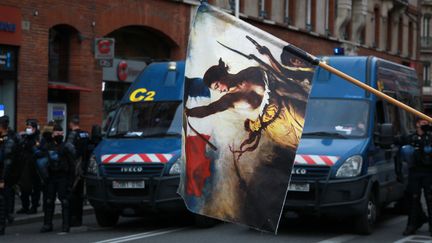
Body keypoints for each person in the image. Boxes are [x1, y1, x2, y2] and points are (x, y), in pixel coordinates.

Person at [39, 124, 76, 233]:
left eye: (60, 133)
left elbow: (71, 165)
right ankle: (47, 224)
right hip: (51, 177)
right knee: (49, 201)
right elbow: (42, 161)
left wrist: (70, 181)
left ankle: (65, 225)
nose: (59, 135)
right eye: (56, 133)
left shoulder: (66, 147)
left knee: (64, 201)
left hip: (63, 177)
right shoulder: (48, 146)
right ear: (53, 134)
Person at [402, 118, 432, 236]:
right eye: (422, 123)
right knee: (414, 199)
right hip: (415, 172)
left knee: (430, 199)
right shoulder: (411, 138)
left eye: (427, 123)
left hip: (429, 172)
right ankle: (412, 224)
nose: (425, 125)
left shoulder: (430, 137)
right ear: (417, 124)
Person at [66, 115, 89, 227]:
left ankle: (72, 219)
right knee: (80, 195)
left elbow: (69, 151)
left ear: (71, 124)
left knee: (72, 194)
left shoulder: (72, 135)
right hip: (83, 167)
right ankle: (79, 219)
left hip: (74, 168)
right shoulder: (85, 134)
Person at [17, 119, 41, 214]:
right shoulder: (25, 137)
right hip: (24, 165)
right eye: (27, 127)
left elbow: (38, 151)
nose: (27, 129)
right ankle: (25, 206)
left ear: (34, 128)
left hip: (34, 166)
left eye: (29, 127)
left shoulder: (37, 138)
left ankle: (34, 207)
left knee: (35, 188)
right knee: (24, 187)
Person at [0, 115, 18, 235]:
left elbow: (7, 162)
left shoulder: (9, 140)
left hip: (5, 175)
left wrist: (2, 178)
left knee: (2, 200)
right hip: (5, 174)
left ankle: (2, 225)